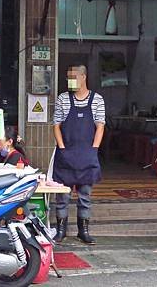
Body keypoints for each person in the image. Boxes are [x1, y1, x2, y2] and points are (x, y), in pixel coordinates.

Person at [52, 65, 105, 244]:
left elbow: (100, 126)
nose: (70, 81)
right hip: (66, 154)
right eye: (68, 77)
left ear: (83, 77)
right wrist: (62, 148)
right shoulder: (63, 99)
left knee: (85, 196)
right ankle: (61, 230)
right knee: (63, 196)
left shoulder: (97, 99)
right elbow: (57, 125)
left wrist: (94, 149)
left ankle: (84, 231)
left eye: (73, 77)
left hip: (87, 155)